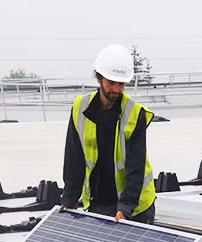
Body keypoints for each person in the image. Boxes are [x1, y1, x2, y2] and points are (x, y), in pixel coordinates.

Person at [60, 44, 156, 225]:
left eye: (121, 84)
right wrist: (69, 197)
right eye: (111, 83)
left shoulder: (135, 113)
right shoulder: (80, 108)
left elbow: (136, 165)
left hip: (136, 205)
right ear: (99, 78)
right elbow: (74, 157)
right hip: (99, 200)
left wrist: (126, 207)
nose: (116, 89)